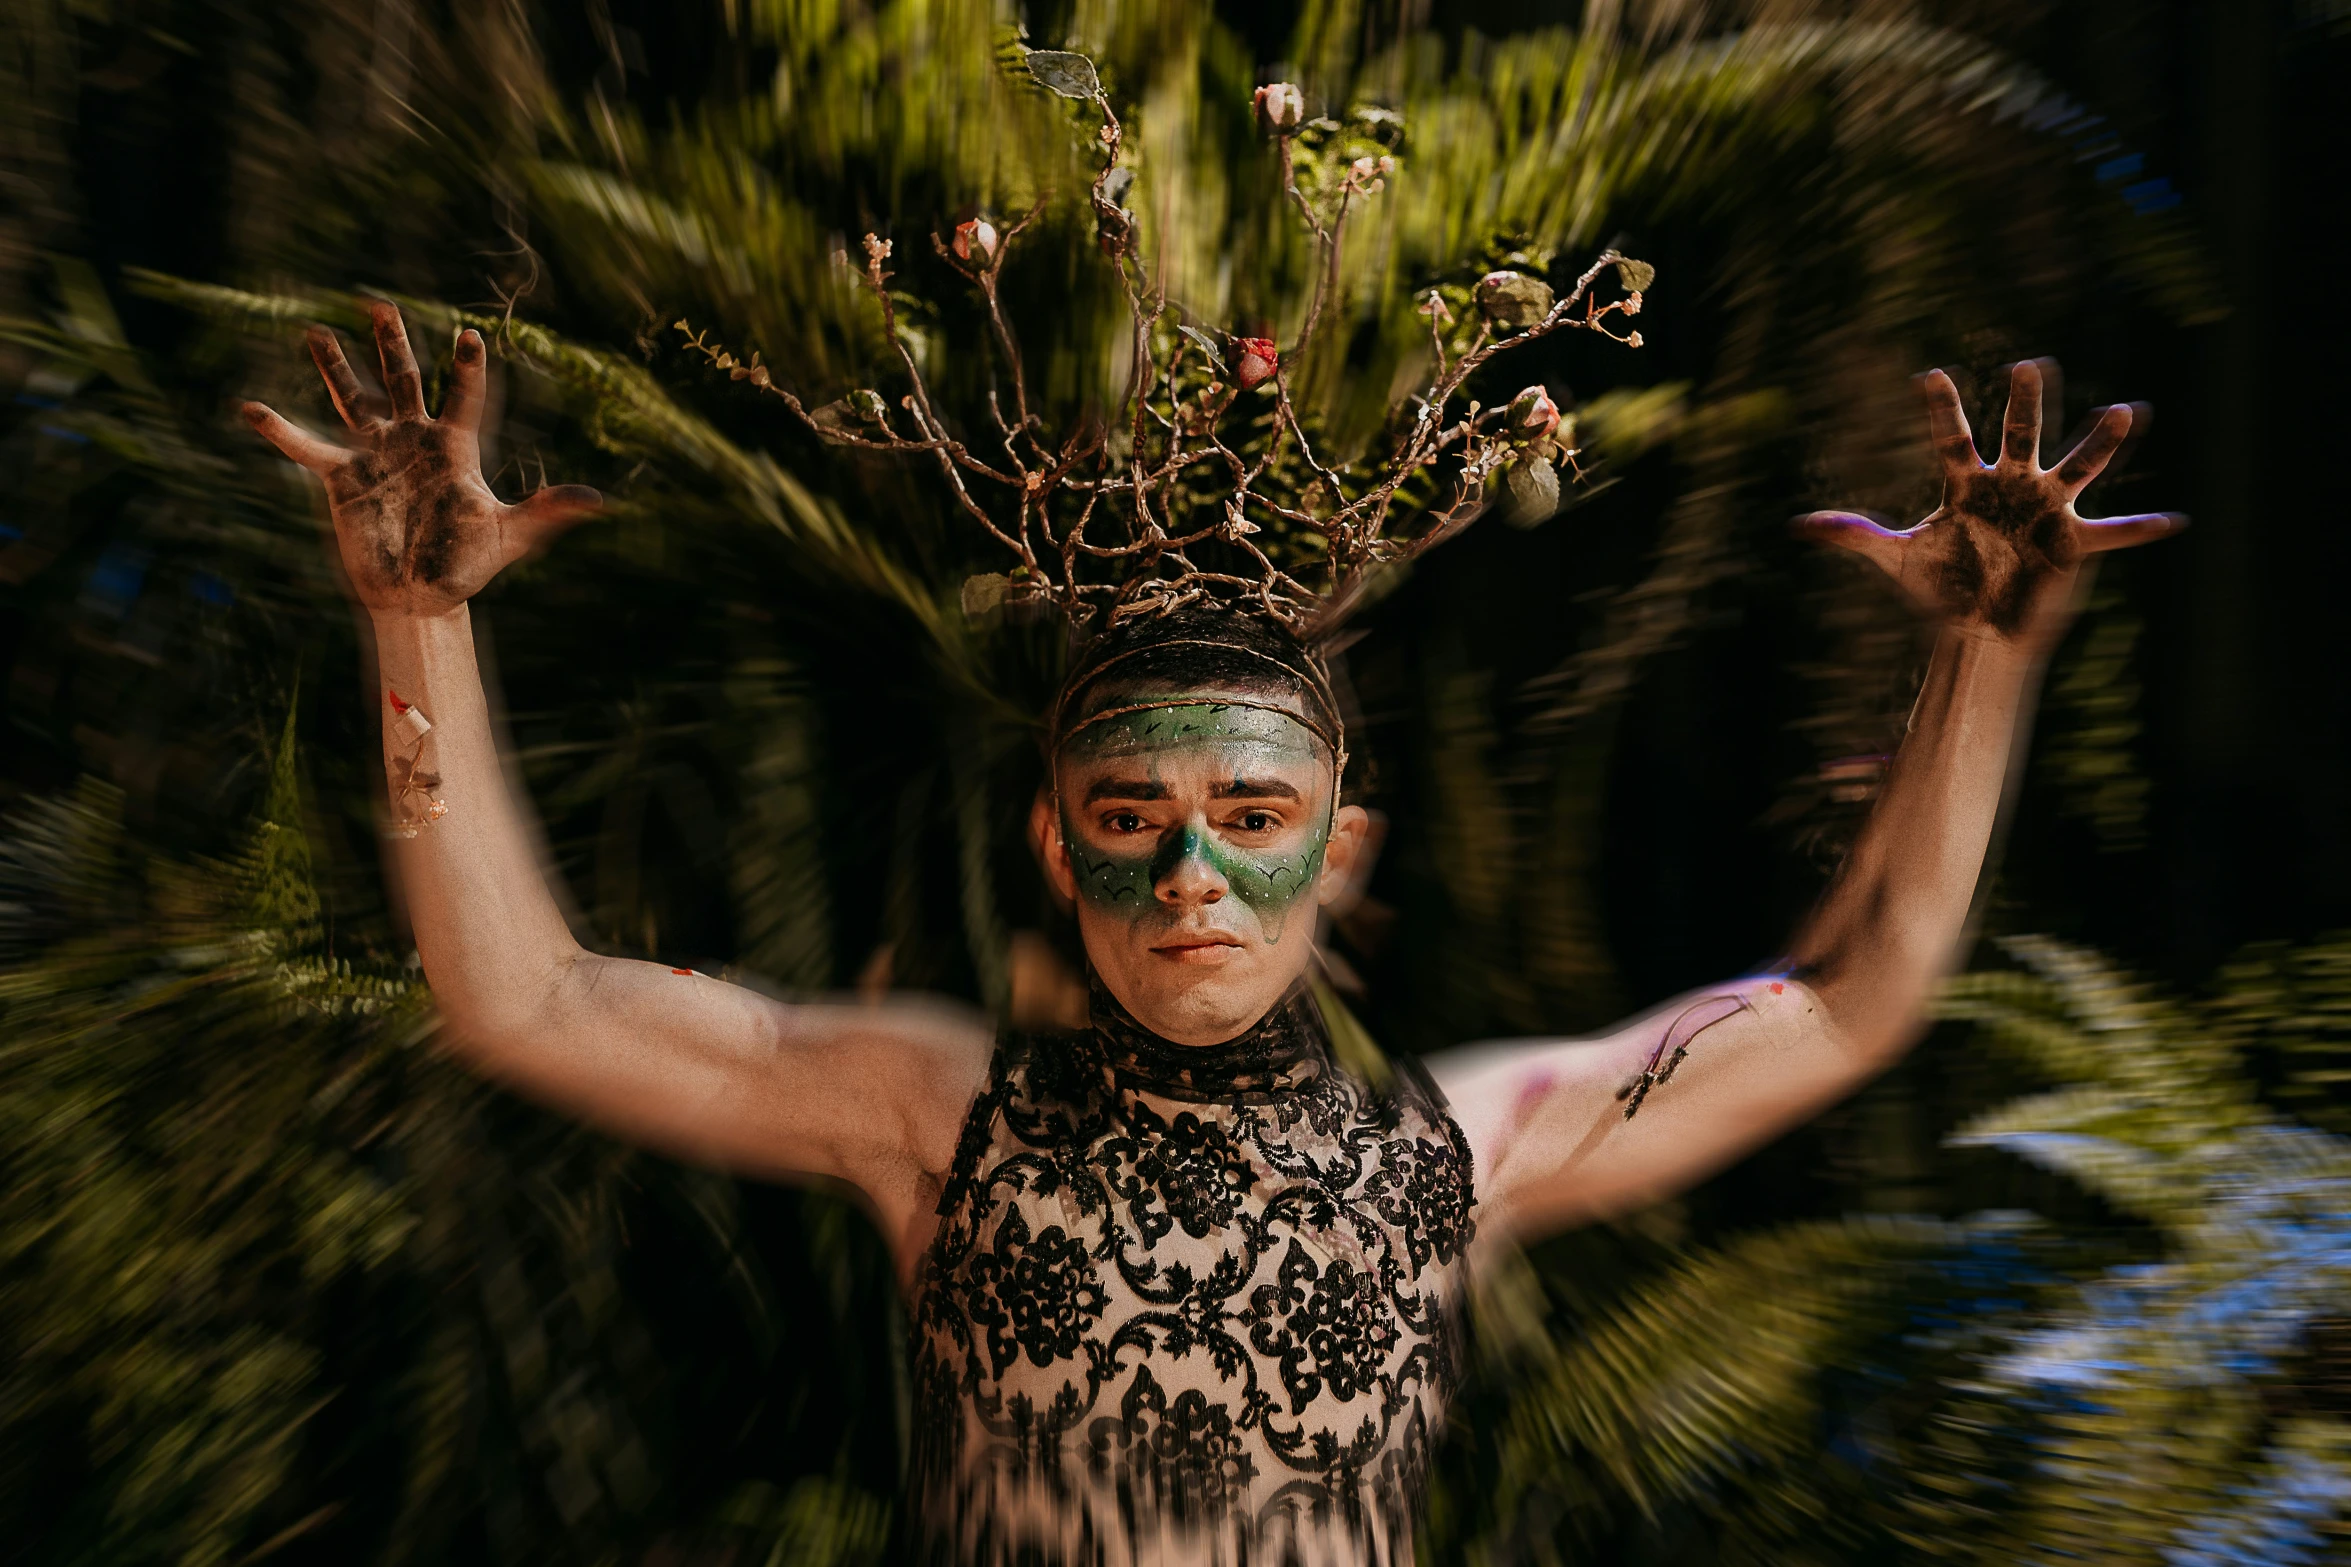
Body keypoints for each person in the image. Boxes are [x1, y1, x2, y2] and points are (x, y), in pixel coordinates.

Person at [242, 301, 2177, 1566]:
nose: (1192, 877)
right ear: (1053, 840)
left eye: (1253, 824)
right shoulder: (931, 1113)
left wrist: (1985, 658)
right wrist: (421, 623)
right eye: (1132, 822)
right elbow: (530, 996)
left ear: (1337, 854)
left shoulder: (1456, 1145)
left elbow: (1849, 1004)